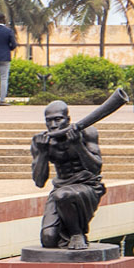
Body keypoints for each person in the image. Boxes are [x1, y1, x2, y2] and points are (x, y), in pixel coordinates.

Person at [31, 102, 106, 250]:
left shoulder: (87, 133)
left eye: (58, 119)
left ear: (68, 119)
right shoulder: (41, 141)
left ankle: (77, 233)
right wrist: (43, 153)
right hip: (62, 186)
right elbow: (39, 182)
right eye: (49, 120)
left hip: (87, 186)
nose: (53, 125)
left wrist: (78, 145)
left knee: (62, 195)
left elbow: (96, 168)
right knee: (48, 239)